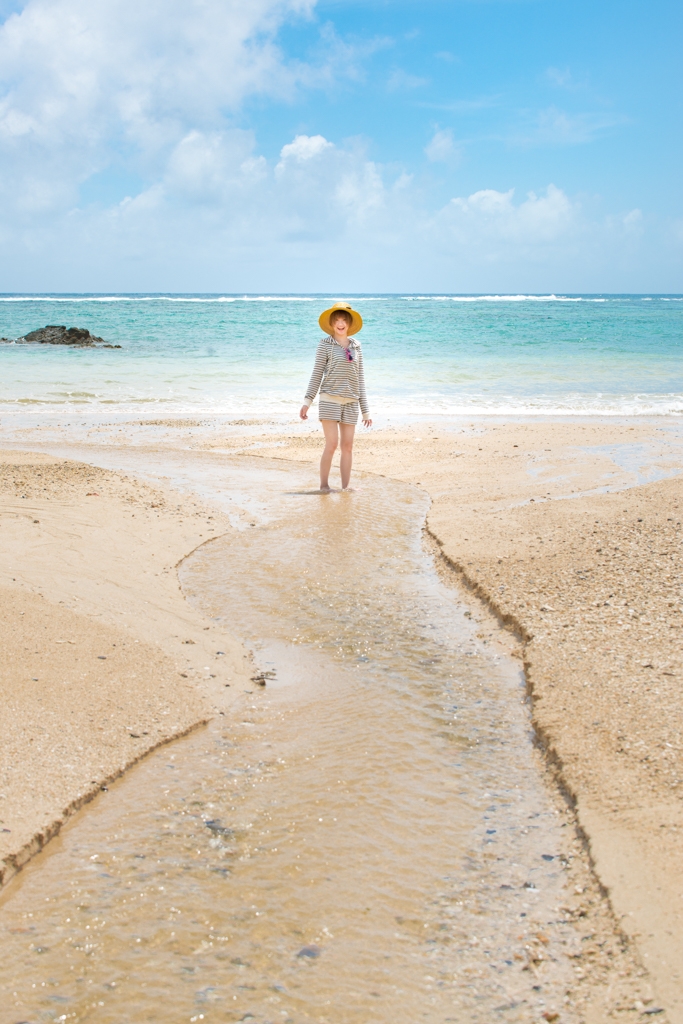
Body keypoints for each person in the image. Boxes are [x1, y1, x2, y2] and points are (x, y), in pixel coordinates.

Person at [299, 301, 372, 492]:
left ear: (349, 323)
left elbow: (360, 378)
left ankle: (346, 487)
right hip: (329, 400)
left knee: (347, 446)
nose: (340, 324)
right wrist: (307, 401)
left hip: (351, 402)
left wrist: (366, 411)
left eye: (344, 320)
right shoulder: (325, 345)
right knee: (331, 444)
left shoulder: (357, 346)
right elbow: (316, 374)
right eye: (337, 320)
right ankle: (324, 486)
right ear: (332, 324)